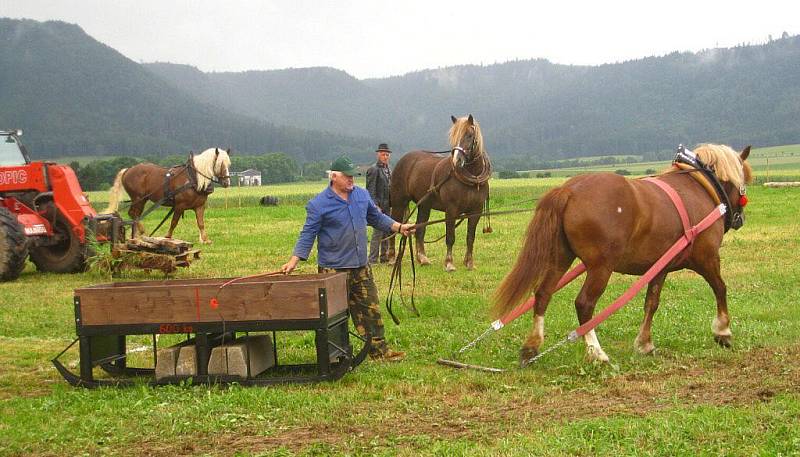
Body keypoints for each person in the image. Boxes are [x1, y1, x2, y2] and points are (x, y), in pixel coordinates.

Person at [281, 155, 414, 361]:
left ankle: (379, 352)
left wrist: (398, 226)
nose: (352, 180)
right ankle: (335, 356)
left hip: (361, 266)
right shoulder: (318, 204)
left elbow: (376, 217)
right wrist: (294, 260)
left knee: (371, 309)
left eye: (353, 176)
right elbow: (308, 233)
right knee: (334, 316)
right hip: (333, 271)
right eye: (347, 176)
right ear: (334, 177)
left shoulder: (361, 195)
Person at [366, 143, 393, 264]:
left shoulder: (388, 169)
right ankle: (372, 260)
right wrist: (375, 206)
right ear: (378, 154)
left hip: (388, 206)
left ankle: (384, 257)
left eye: (387, 155)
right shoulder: (373, 169)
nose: (386, 157)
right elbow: (370, 190)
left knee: (387, 231)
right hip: (378, 206)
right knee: (377, 234)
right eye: (383, 154)